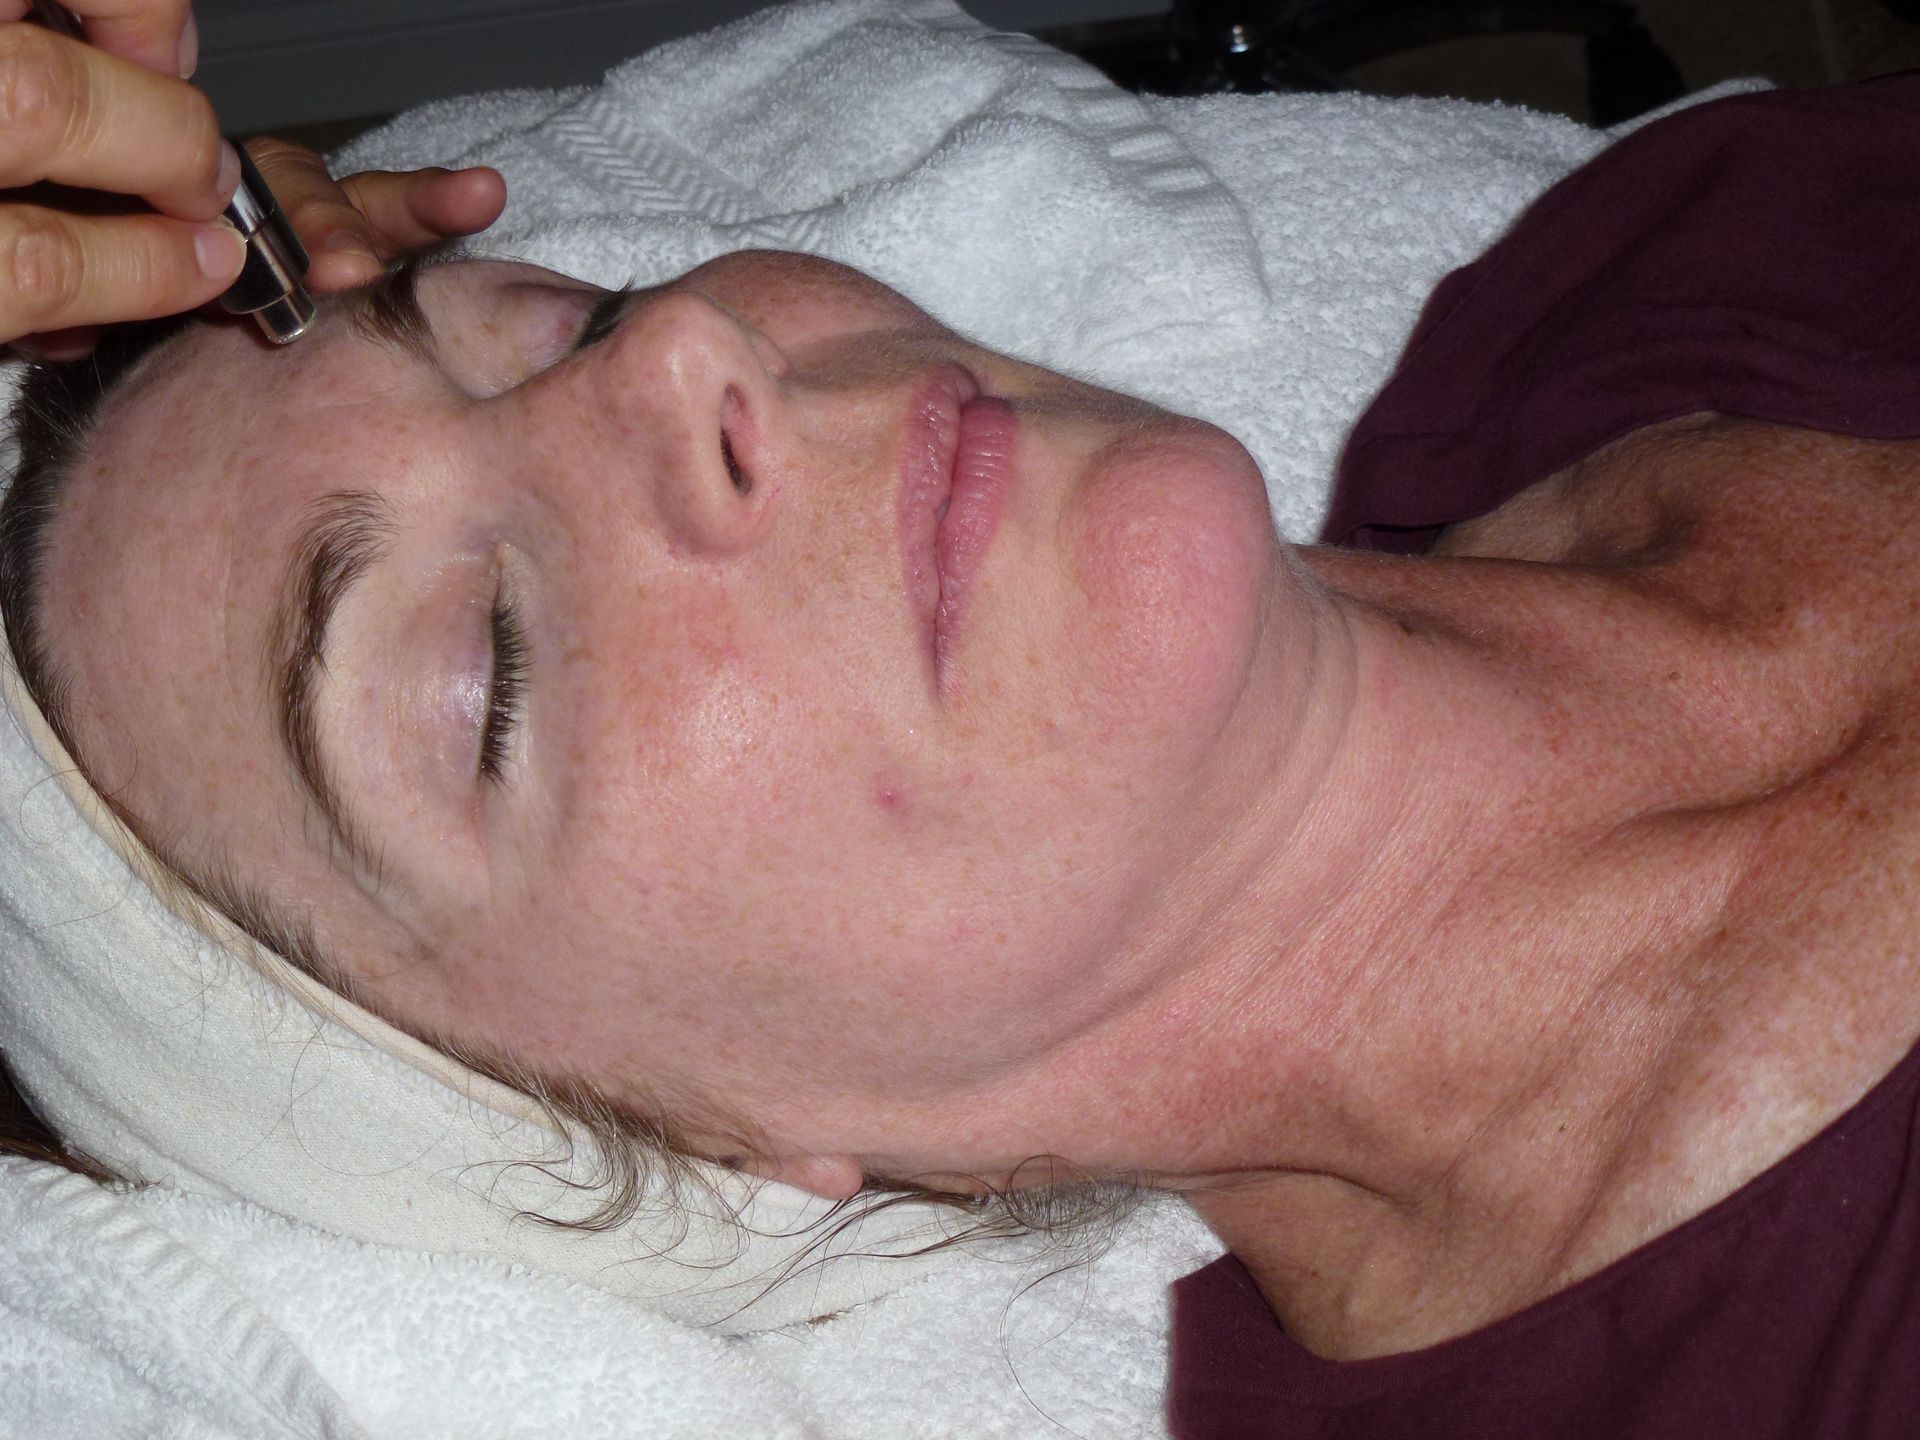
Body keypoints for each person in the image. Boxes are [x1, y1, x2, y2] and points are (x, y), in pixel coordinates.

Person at [4, 5, 1919, 1435]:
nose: (677, 350)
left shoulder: (1653, 269)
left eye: (558, 322)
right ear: (710, 1149)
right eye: (486, 673)